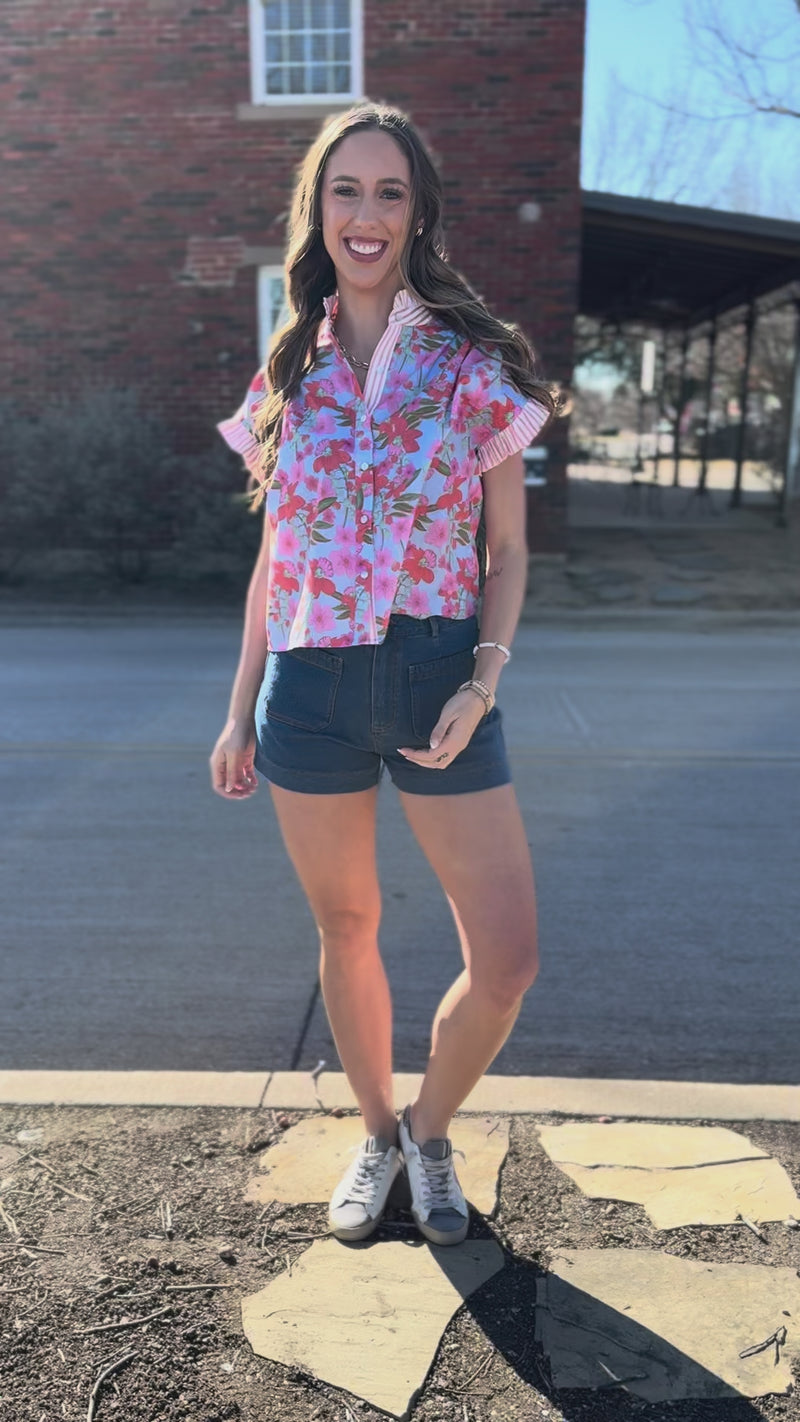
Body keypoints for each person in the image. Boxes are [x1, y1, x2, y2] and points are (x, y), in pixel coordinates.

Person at [209, 101, 564, 1248]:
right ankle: (374, 1136)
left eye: (389, 192)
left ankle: (428, 1127)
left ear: (417, 215)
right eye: (345, 190)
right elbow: (276, 559)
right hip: (307, 687)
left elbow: (506, 553)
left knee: (505, 959)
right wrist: (237, 711)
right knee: (347, 926)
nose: (365, 214)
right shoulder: (287, 370)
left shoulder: (470, 367)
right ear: (318, 209)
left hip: (436, 675)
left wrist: (481, 680)